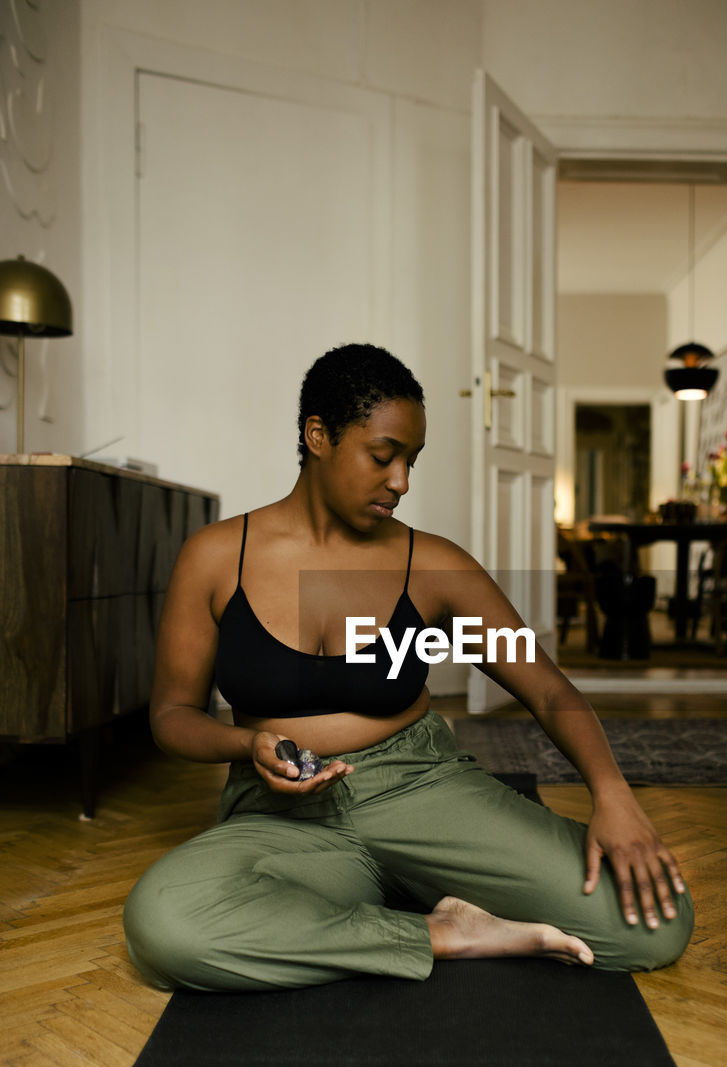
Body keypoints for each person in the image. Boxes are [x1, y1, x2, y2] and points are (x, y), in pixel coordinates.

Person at [124, 343, 693, 991]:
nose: (401, 482)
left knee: (654, 924)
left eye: (411, 462)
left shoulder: (434, 565)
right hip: (284, 818)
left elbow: (545, 687)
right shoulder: (215, 557)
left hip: (421, 790)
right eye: (383, 455)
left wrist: (612, 795)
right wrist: (246, 742)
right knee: (165, 923)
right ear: (318, 436)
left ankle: (381, 905)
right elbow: (171, 715)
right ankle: (443, 932)